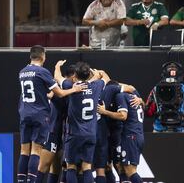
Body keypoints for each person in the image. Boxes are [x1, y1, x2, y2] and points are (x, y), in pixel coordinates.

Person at [17, 45, 85, 183]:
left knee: (24, 151)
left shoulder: (22, 72)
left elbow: (45, 92)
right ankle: (31, 181)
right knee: (36, 151)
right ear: (43, 56)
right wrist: (74, 89)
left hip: (24, 112)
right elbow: (59, 92)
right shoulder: (42, 72)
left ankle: (21, 180)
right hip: (39, 114)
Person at [55, 60, 109, 183]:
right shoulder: (97, 86)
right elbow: (106, 77)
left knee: (71, 166)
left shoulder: (71, 86)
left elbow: (57, 77)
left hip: (74, 134)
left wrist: (57, 66)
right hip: (91, 134)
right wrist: (97, 73)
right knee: (87, 167)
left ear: (74, 75)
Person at [98, 91, 145, 183]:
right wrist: (141, 100)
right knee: (121, 168)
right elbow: (144, 105)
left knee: (130, 171)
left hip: (130, 136)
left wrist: (104, 111)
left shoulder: (120, 96)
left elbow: (123, 116)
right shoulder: (134, 96)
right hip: (136, 135)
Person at [145, 62, 184, 132]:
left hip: (178, 129)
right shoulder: (156, 89)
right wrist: (148, 106)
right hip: (160, 129)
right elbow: (149, 112)